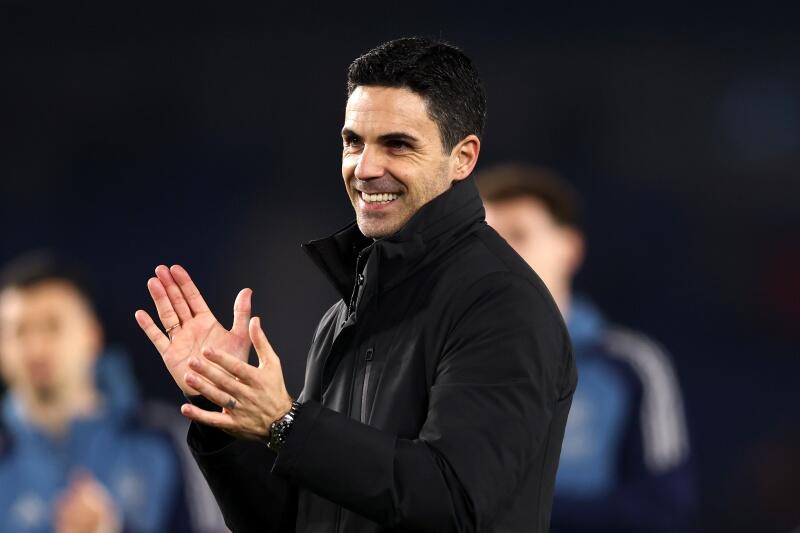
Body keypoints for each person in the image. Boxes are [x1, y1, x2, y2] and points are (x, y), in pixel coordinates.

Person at [134, 37, 577, 532]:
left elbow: (455, 501)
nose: (364, 168)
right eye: (353, 142)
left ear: (463, 158)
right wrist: (226, 403)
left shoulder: (500, 303)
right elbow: (298, 521)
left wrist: (287, 424)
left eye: (397, 144)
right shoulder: (348, 312)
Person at [476, 163, 695, 533]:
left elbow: (664, 508)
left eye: (518, 234)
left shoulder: (629, 364)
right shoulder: (436, 363)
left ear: (569, 248)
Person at [0, 252, 207, 533]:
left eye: (53, 326)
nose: (36, 348)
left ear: (92, 335)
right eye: (19, 331)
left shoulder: (164, 438)